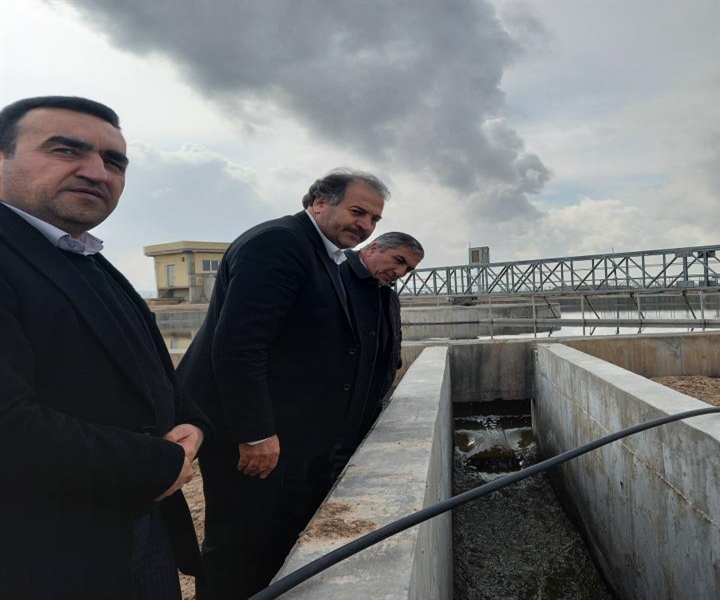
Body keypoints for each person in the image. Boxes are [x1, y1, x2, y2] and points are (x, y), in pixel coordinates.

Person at [0, 96, 210, 599]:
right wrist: (158, 462)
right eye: (65, 150)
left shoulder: (85, 258)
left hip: (134, 529)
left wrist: (192, 423)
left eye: (114, 162)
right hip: (39, 555)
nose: (97, 172)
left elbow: (148, 368)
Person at [177, 169, 412, 599]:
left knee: (275, 534)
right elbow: (240, 346)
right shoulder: (279, 243)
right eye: (357, 212)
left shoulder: (322, 253)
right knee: (240, 540)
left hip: (287, 430)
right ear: (320, 202)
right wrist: (255, 433)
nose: (365, 225)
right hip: (252, 434)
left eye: (374, 219)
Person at [342, 231, 425, 423]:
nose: (400, 272)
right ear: (372, 248)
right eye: (398, 260)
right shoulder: (332, 277)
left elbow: (394, 339)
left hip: (368, 409)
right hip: (327, 415)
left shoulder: (389, 296)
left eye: (408, 269)